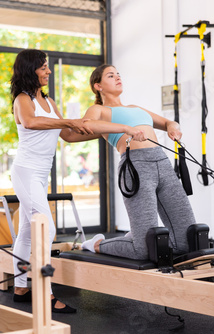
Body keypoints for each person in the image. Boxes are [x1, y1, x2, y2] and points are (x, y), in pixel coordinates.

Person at [9, 50, 146, 313]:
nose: (48, 72)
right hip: (26, 171)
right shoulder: (22, 99)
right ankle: (44, 294)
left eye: (48, 67)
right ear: (30, 70)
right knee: (45, 229)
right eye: (43, 67)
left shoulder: (47, 100)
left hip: (40, 174)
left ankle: (21, 288)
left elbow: (68, 136)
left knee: (28, 229)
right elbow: (30, 122)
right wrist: (69, 120)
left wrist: (103, 132)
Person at [80, 64, 196, 260]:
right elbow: (87, 125)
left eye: (118, 74)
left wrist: (173, 128)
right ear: (98, 86)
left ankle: (135, 236)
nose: (118, 77)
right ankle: (96, 244)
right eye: (111, 75)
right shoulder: (99, 110)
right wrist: (126, 128)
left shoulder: (136, 108)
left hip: (162, 163)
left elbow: (169, 122)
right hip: (135, 166)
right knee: (142, 250)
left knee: (187, 241)